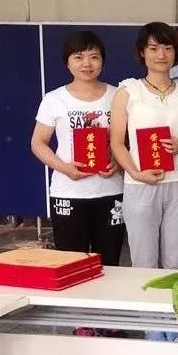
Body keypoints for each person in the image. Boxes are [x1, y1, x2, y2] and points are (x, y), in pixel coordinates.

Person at [110, 22, 178, 342]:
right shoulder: (128, 91)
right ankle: (152, 327)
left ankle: (177, 326)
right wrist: (134, 172)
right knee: (144, 260)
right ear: (142, 53)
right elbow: (117, 142)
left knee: (176, 259)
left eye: (168, 48)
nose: (161, 54)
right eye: (154, 48)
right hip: (140, 185)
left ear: (176, 52)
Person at [31, 32, 125, 267]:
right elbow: (38, 143)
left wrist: (119, 161)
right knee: (71, 264)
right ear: (68, 62)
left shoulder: (118, 95)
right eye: (79, 57)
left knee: (110, 262)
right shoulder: (54, 99)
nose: (87, 64)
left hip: (111, 191)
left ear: (102, 61)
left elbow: (128, 140)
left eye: (94, 57)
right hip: (68, 193)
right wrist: (65, 168)